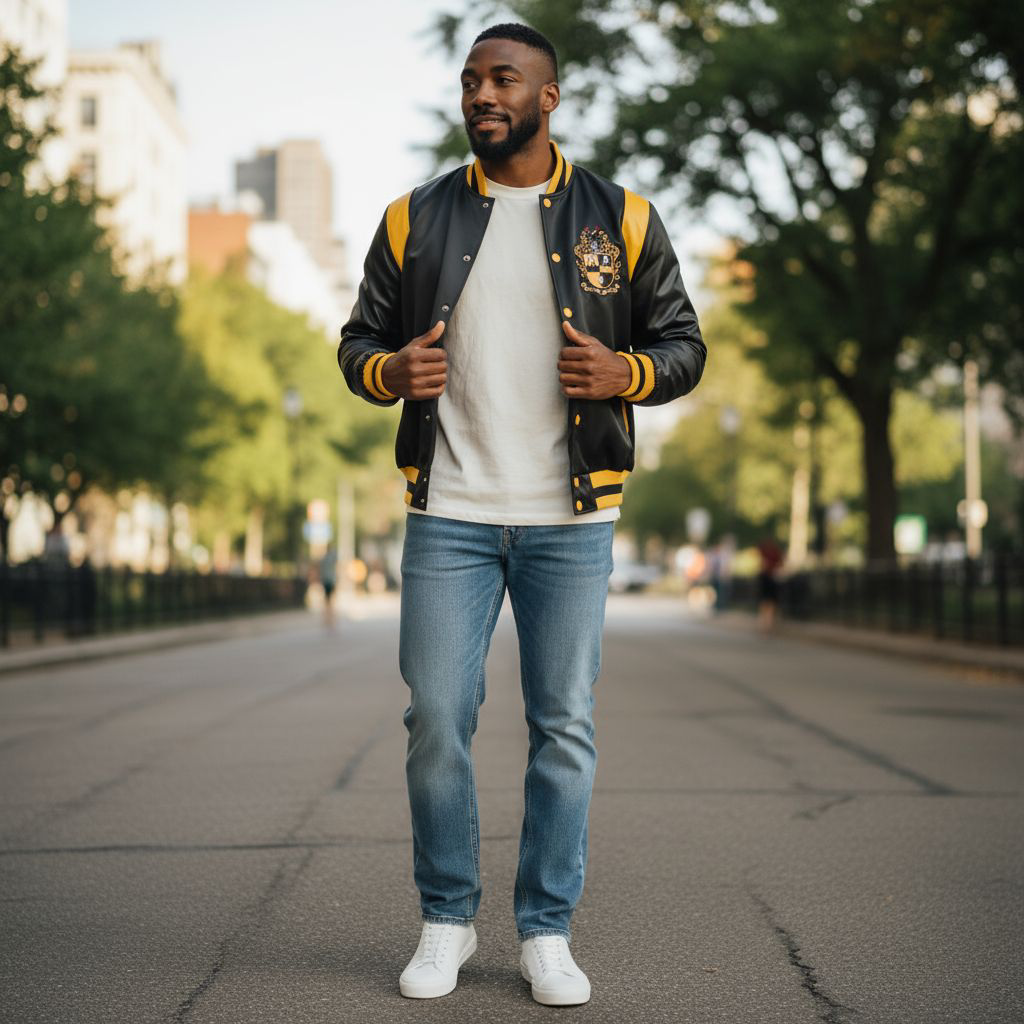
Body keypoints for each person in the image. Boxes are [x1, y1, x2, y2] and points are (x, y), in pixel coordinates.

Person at [338, 22, 706, 1006]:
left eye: (502, 79)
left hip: (570, 517)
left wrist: (624, 370)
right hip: (449, 507)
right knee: (438, 721)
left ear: (549, 97)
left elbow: (683, 345)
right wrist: (387, 371)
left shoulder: (618, 217)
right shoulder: (413, 218)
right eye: (469, 81)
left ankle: (545, 929)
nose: (480, 94)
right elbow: (358, 340)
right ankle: (447, 920)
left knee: (564, 727)